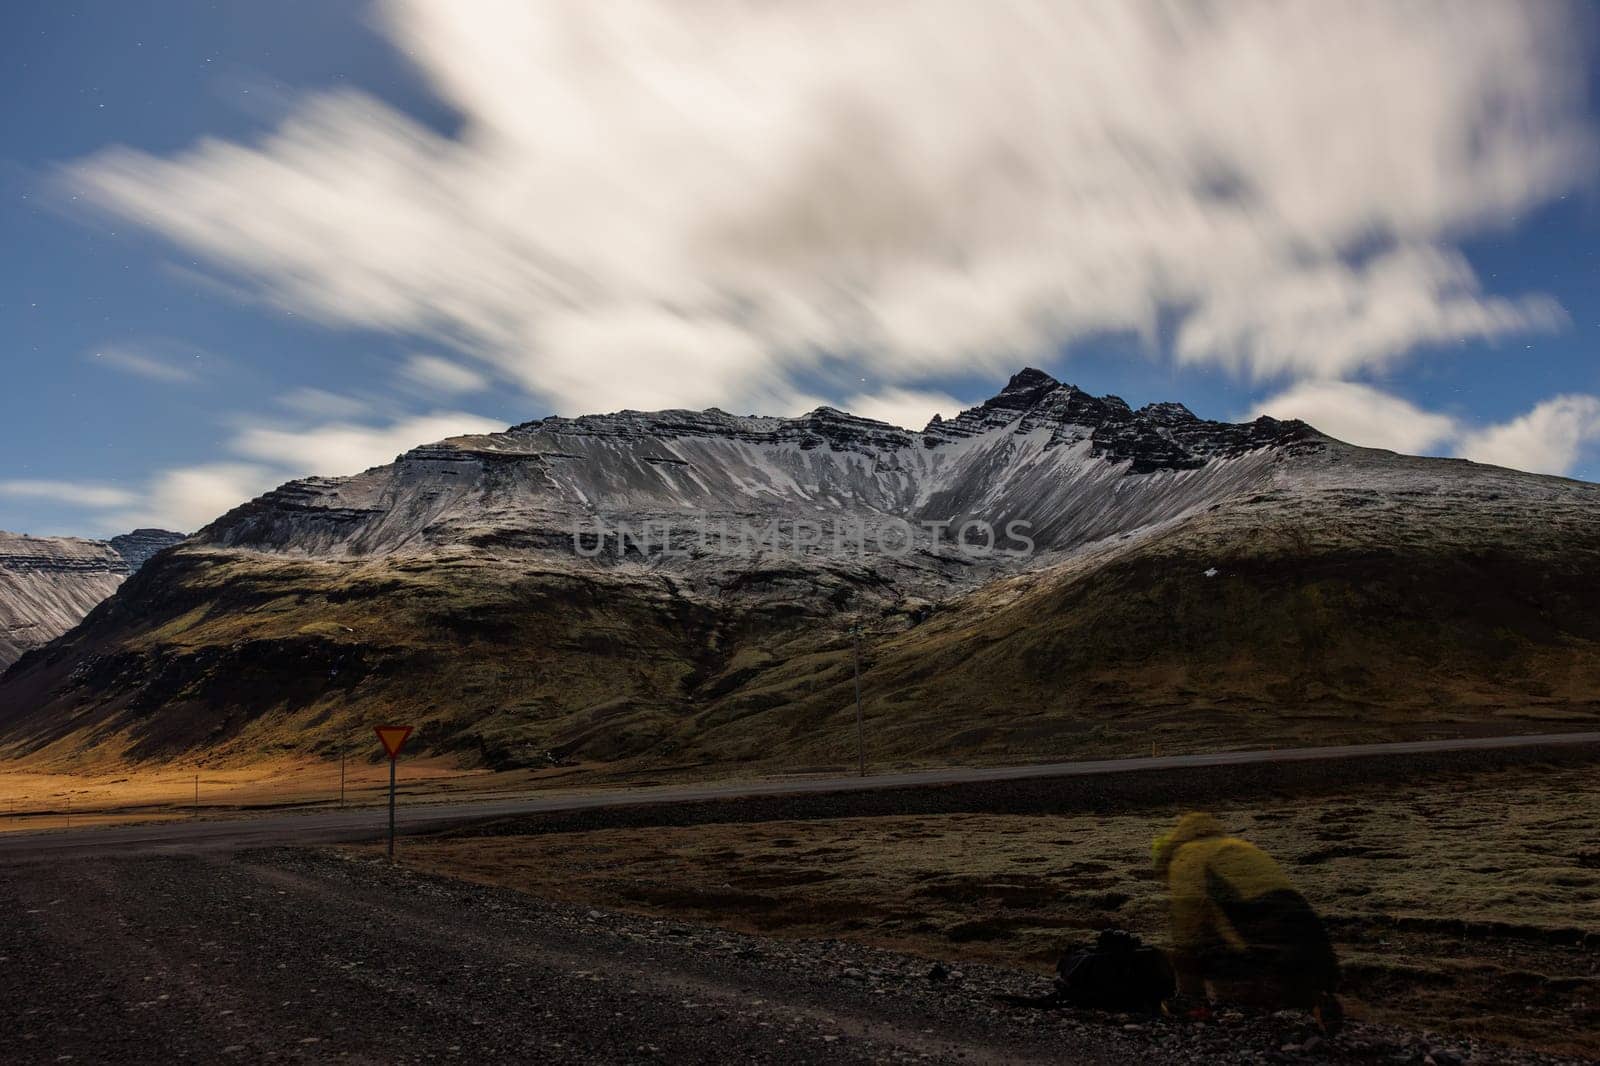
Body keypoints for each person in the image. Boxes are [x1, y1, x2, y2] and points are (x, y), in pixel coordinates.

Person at [1151, 812, 1342, 1031]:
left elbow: (1187, 927)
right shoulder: (1237, 846)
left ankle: (1195, 1004)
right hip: (1307, 925)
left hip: (1261, 927)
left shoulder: (1184, 858)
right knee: (1295, 973)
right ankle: (1315, 1001)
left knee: (1200, 950)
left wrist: (1190, 989)